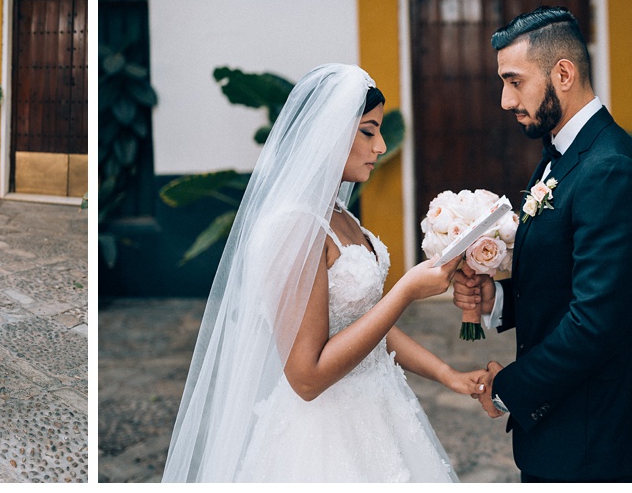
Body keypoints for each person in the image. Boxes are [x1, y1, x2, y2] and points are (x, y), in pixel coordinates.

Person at [162, 63, 483, 482]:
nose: (382, 146)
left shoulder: (338, 214)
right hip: (324, 434)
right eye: (368, 131)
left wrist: (448, 375)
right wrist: (404, 292)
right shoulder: (297, 228)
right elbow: (306, 377)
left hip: (377, 409)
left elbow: (361, 323)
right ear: (329, 133)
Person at [453, 6, 632, 482]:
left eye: (514, 81)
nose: (506, 100)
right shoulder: (563, 154)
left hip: (596, 435)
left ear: (563, 73)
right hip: (565, 426)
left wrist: (509, 388)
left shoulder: (611, 169)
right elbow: (563, 280)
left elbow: (595, 322)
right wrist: (499, 300)